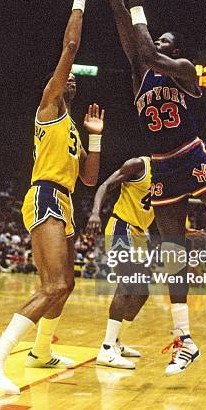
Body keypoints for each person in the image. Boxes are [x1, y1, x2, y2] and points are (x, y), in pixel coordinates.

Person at [97, 0, 206, 375]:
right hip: (163, 167)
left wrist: (140, 12)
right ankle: (184, 338)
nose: (162, 46)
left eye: (169, 42)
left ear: (177, 51)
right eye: (160, 42)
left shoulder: (183, 71)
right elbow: (120, 17)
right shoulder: (141, 75)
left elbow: (147, 47)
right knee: (172, 252)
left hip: (190, 153)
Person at [0, 0, 105, 394]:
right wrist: (80, 0)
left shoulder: (70, 129)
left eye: (72, 84)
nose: (69, 84)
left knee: (66, 286)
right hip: (45, 194)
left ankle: (41, 351)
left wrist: (95, 138)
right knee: (54, 285)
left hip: (65, 200)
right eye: (65, 80)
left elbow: (88, 179)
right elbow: (69, 46)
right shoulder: (48, 109)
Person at [86, 156, 154, 369]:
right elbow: (105, 185)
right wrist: (96, 213)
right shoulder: (139, 165)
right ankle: (106, 349)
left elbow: (157, 210)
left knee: (142, 292)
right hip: (121, 227)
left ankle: (116, 341)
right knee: (126, 284)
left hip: (140, 234)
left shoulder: (167, 176)